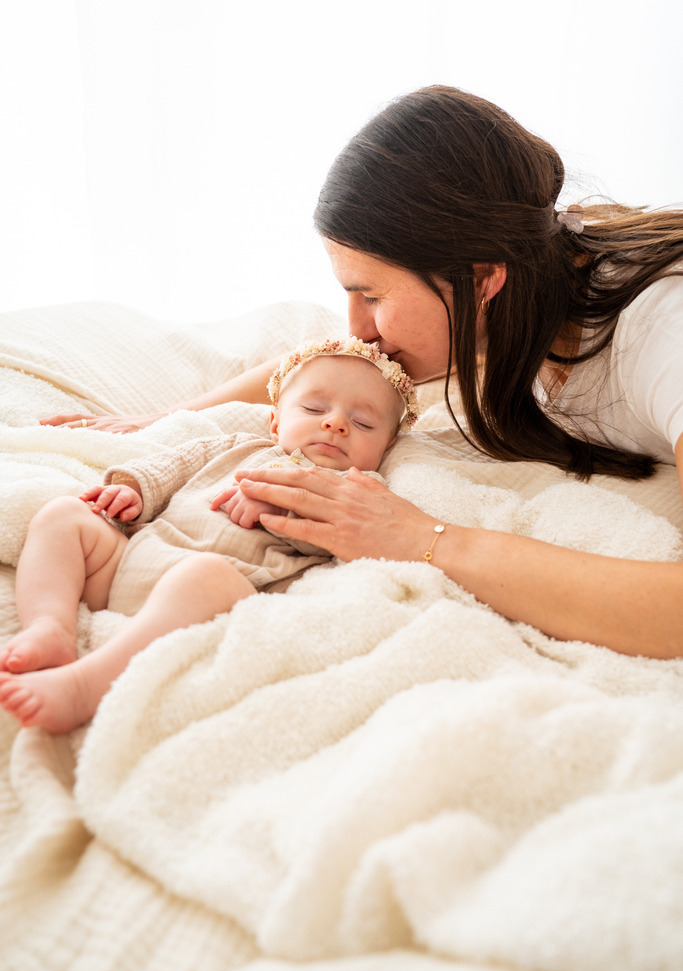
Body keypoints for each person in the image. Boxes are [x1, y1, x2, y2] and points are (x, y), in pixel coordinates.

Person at [40, 86, 683, 659]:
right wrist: (171, 419)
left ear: (483, 279)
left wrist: (421, 539)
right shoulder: (525, 273)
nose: (356, 327)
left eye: (371, 297)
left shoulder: (662, 333)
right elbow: (337, 362)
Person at [0, 340, 418, 734]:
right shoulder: (236, 446)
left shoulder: (353, 490)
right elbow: (173, 465)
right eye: (313, 408)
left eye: (362, 423)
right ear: (275, 421)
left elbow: (339, 542)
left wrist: (281, 509)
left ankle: (84, 687)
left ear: (387, 445)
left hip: (213, 596)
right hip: (133, 558)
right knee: (64, 514)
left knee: (203, 575)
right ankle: (51, 627)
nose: (335, 424)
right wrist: (132, 490)